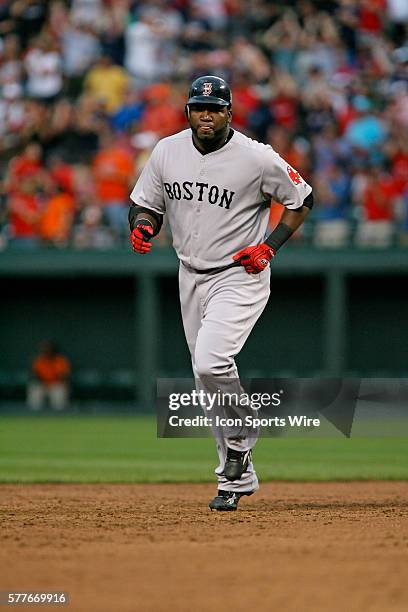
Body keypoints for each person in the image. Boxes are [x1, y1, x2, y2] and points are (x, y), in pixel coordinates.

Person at [128, 76, 313, 511]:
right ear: (188, 111)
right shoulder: (167, 150)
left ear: (230, 112)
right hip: (188, 273)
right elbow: (146, 203)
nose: (205, 114)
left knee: (211, 362)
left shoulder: (256, 157)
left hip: (238, 274)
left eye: (214, 108)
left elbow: (302, 198)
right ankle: (236, 479)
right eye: (197, 107)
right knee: (204, 380)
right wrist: (142, 225)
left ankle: (242, 440)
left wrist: (268, 247)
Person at [27, 341, 71, 411]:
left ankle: (60, 415)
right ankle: (34, 415)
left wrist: (53, 383)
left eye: (49, 349)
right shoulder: (39, 360)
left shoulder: (60, 360)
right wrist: (43, 383)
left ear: (54, 350)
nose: (47, 351)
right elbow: (34, 375)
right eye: (45, 349)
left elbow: (64, 376)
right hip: (43, 384)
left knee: (59, 389)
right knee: (34, 388)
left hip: (56, 384)